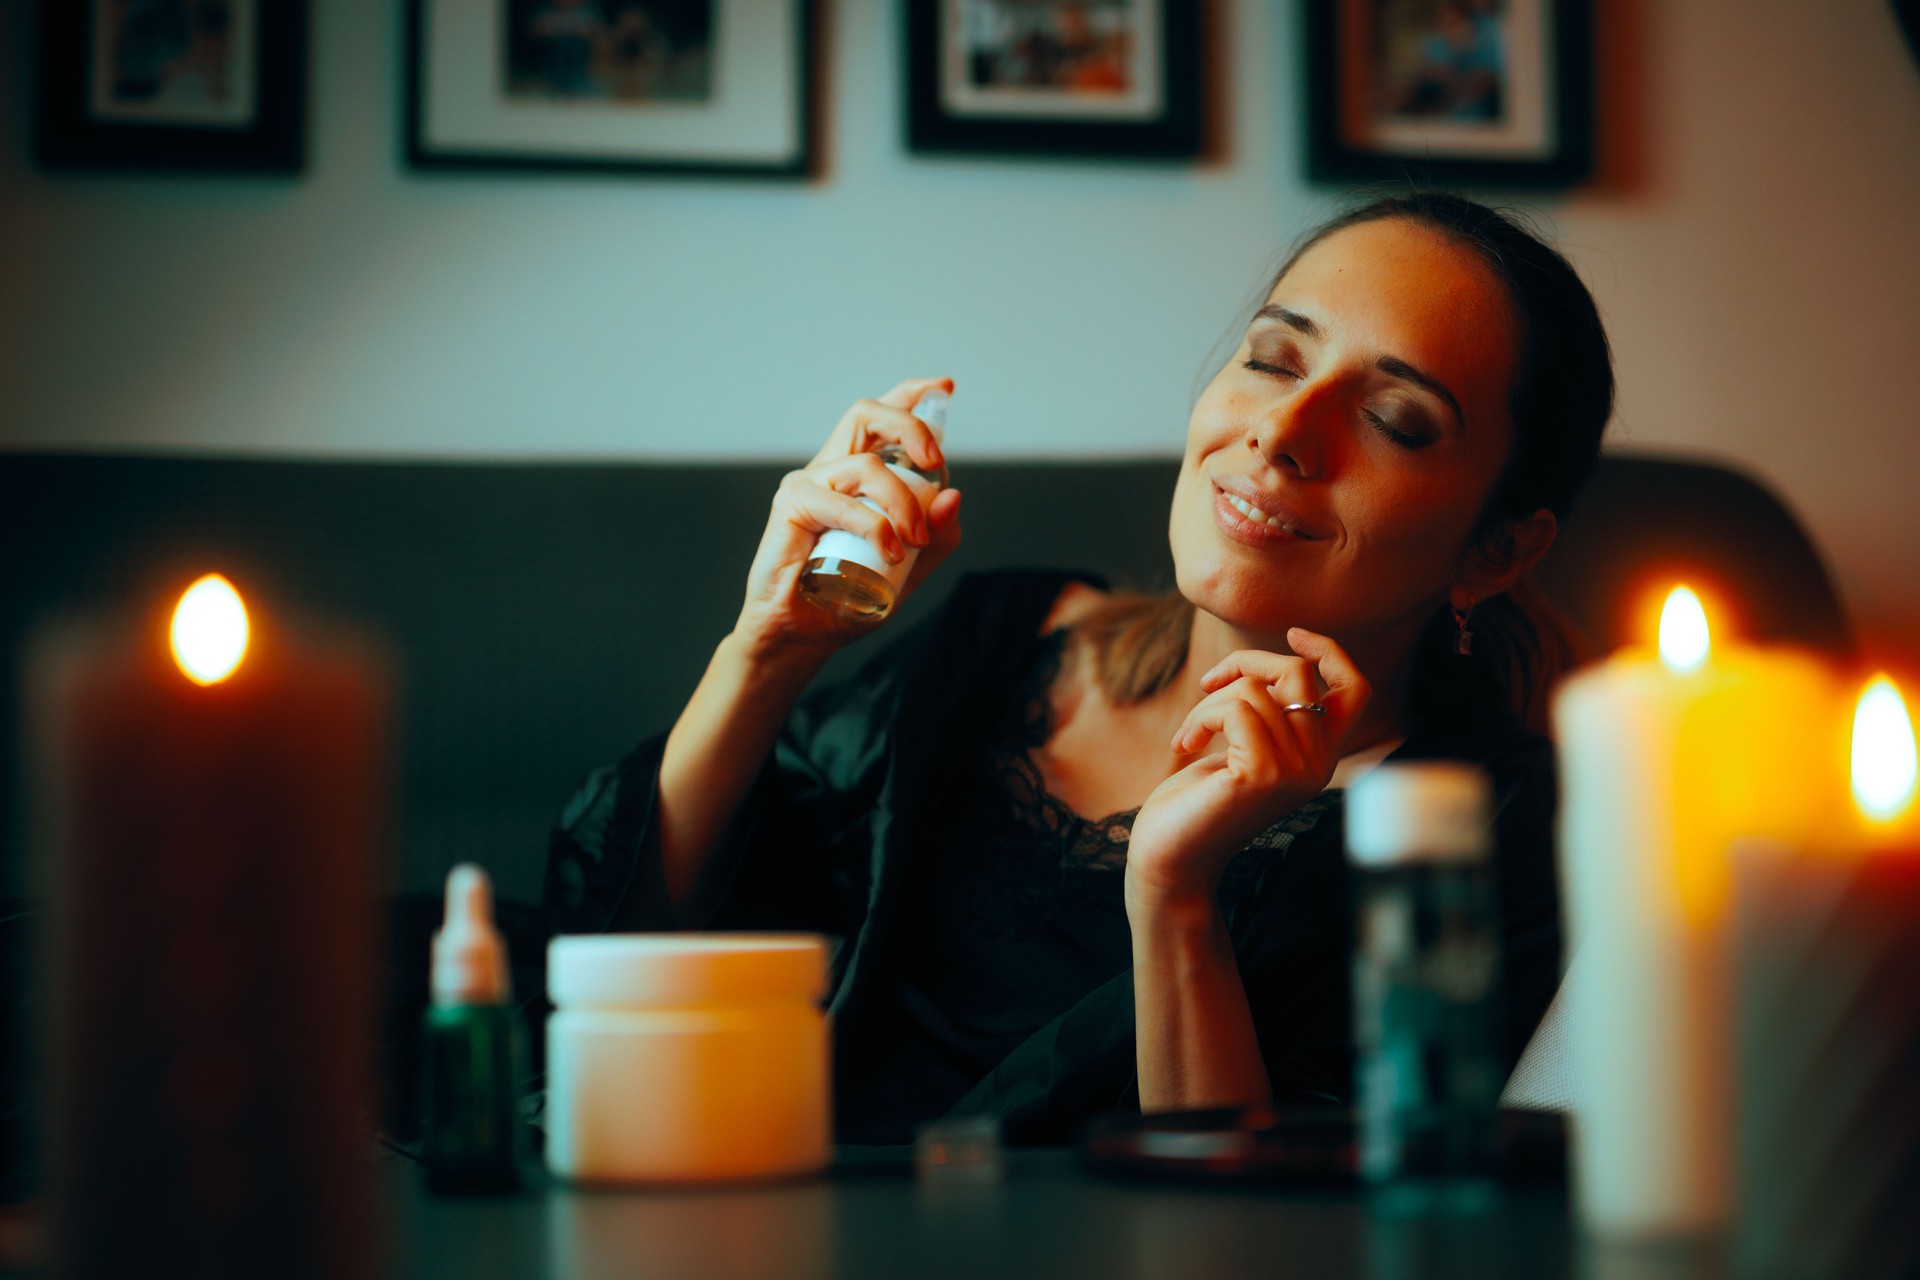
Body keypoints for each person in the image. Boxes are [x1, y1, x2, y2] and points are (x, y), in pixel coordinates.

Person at [544, 190, 1615, 1146]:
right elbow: (628, 955)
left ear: (1498, 548)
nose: (1282, 430)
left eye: (1393, 419)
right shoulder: (1005, 639)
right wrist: (765, 650)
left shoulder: (1484, 832)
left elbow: (1292, 1231)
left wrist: (1175, 895)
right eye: (1273, 360)